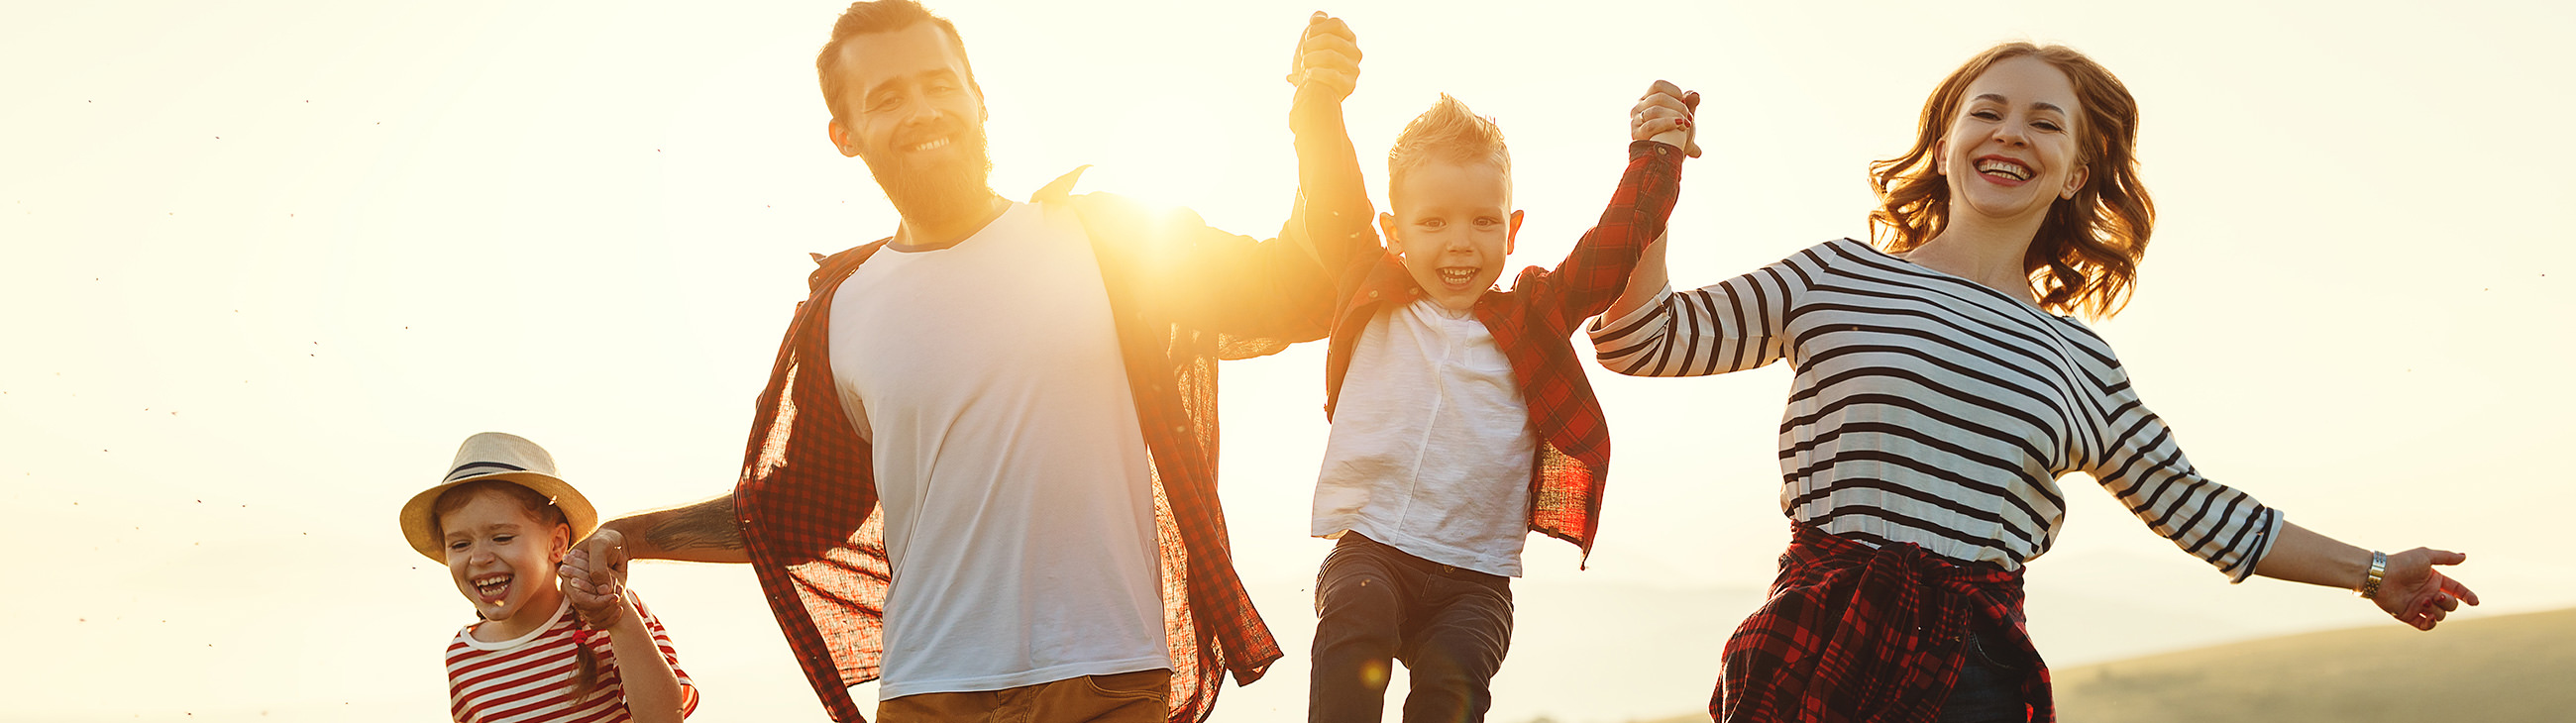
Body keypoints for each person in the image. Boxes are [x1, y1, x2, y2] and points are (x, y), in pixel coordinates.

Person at [1588, 44, 2479, 722]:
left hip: (1975, 670)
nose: (2012, 132)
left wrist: (2372, 572)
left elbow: (2203, 510)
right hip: (1819, 637)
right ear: (1945, 144)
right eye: (1989, 112)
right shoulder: (1837, 277)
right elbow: (1640, 339)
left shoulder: (2079, 362)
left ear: (2076, 172)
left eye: (2046, 123)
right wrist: (1652, 181)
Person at [555, 4, 1369, 722]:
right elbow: (794, 512)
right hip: (930, 693)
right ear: (846, 135)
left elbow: (1299, 289)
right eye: (887, 97)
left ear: (978, 98)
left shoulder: (1109, 240)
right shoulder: (841, 311)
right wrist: (633, 532)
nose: (923, 107)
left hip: (1108, 680)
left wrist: (1317, 114)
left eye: (939, 83)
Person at [1293, 79, 1693, 720]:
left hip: (1475, 582)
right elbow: (1333, 192)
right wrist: (1319, 96)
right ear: (1394, 231)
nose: (1459, 241)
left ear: (1512, 229)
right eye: (1433, 222)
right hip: (1371, 549)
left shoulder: (1534, 316)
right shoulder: (1370, 287)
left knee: (1452, 693)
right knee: (1354, 630)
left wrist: (1656, 154)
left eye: (1483, 221)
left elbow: (1613, 247)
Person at [398, 432, 697, 722]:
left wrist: (615, 618)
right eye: (460, 544)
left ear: (556, 544)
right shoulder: (463, 657)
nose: (479, 557)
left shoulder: (611, 611)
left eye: (501, 537)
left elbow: (664, 718)